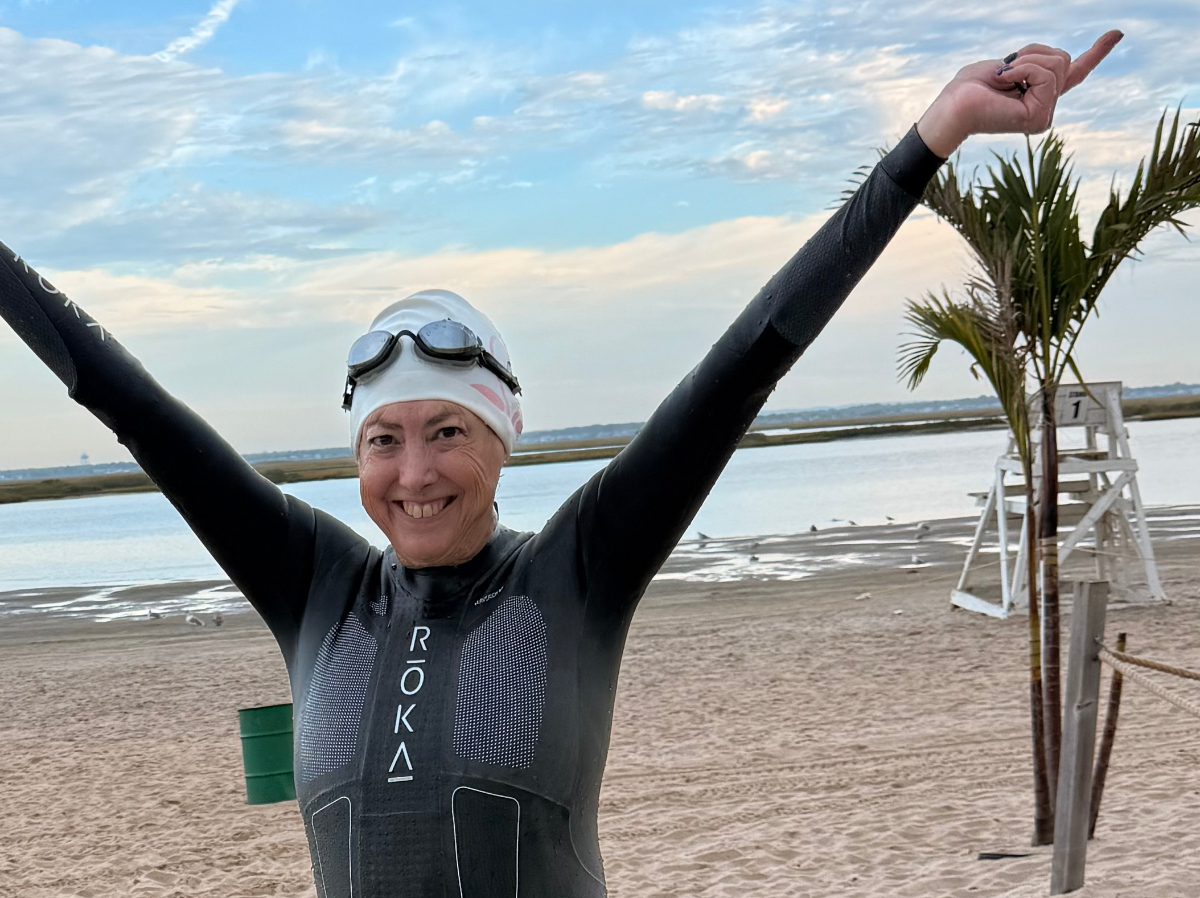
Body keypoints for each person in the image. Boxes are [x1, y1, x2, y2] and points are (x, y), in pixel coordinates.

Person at [0, 33, 1120, 897]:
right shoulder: (316, 589)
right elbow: (131, 404)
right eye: (384, 439)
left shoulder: (572, 575)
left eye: (449, 432)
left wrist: (931, 136)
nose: (414, 471)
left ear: (503, 442)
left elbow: (744, 366)